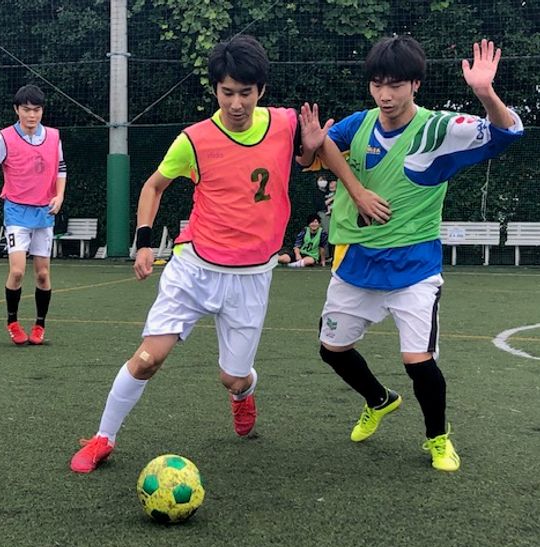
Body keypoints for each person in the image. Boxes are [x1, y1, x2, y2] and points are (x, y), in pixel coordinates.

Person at [70, 34, 389, 473]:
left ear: (261, 90)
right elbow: (153, 187)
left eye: (245, 93)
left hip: (251, 277)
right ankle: (103, 438)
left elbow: (317, 153)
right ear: (215, 90)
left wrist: (335, 169)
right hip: (194, 268)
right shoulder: (193, 140)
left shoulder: (284, 123)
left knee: (233, 378)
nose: (236, 103)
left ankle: (243, 394)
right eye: (227, 93)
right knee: (147, 359)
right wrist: (143, 242)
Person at [318, 37, 523, 472]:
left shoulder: (439, 130)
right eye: (377, 84)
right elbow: (318, 149)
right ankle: (379, 400)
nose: (385, 95)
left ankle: (438, 437)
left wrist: (485, 93)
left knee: (418, 361)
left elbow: (507, 132)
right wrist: (350, 185)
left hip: (414, 267)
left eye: (395, 85)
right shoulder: (358, 125)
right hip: (357, 261)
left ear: (415, 84)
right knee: (331, 349)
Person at [0, 85, 66, 345]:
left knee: (43, 274)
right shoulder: (3, 138)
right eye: (26, 110)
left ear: (42, 111)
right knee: (17, 271)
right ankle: (12, 321)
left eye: (36, 110)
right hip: (16, 211)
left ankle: (40, 325)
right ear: (17, 110)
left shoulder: (54, 137)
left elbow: (61, 169)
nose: (32, 115)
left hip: (44, 213)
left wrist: (59, 196)